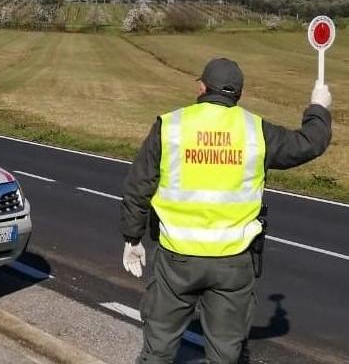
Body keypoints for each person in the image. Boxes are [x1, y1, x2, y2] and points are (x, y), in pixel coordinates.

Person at [119, 58, 332, 363]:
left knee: (158, 350)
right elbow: (309, 143)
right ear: (239, 95)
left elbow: (138, 186)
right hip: (233, 263)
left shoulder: (170, 126)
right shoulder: (255, 131)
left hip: (177, 260)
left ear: (202, 87)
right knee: (225, 354)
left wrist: (132, 237)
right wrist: (318, 108)